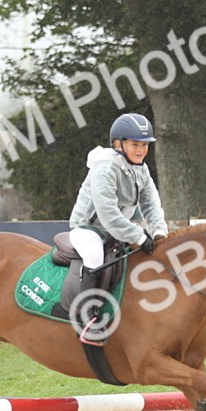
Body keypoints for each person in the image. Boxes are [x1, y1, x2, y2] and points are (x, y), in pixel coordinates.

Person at [68, 112, 169, 344]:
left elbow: (152, 206)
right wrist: (139, 237)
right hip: (88, 229)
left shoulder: (140, 169)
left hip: (116, 231)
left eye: (144, 145)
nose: (141, 150)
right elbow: (108, 214)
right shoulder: (105, 167)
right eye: (135, 144)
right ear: (117, 144)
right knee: (94, 256)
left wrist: (159, 234)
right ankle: (87, 318)